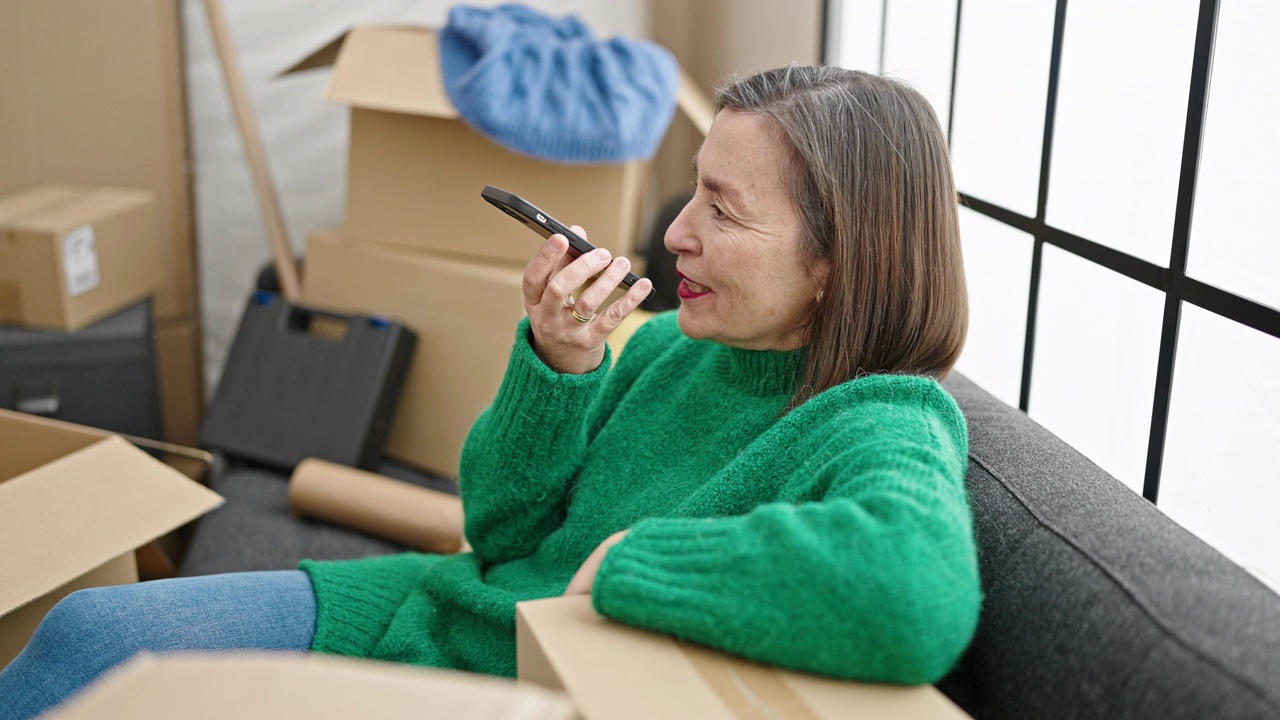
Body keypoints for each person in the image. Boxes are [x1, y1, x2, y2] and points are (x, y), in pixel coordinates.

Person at [0, 64, 979, 718]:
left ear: (835, 263)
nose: (673, 235)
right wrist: (557, 363)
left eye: (720, 211)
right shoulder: (666, 349)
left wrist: (635, 558)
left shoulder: (885, 417)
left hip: (516, 676)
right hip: (441, 606)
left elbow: (914, 598)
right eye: (691, 190)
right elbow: (500, 531)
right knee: (91, 629)